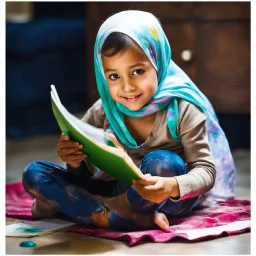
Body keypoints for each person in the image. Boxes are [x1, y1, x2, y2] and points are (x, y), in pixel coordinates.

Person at [22, 10, 236, 231]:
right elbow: (83, 174)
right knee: (35, 173)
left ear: (158, 62)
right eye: (114, 76)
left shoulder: (182, 109)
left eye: (138, 71)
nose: (127, 87)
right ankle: (112, 215)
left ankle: (81, 208)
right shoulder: (103, 111)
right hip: (117, 190)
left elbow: (206, 171)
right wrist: (74, 161)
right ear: (103, 75)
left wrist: (171, 186)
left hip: (165, 198)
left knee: (162, 163)